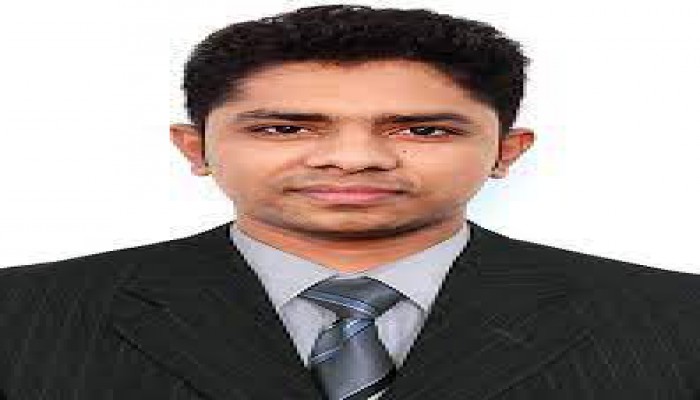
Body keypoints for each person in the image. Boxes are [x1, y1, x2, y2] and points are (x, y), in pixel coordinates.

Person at [1, 4, 698, 399]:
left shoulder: (678, 319)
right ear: (196, 147)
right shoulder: (21, 315)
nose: (354, 157)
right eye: (285, 128)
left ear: (506, 151)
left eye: (423, 130)